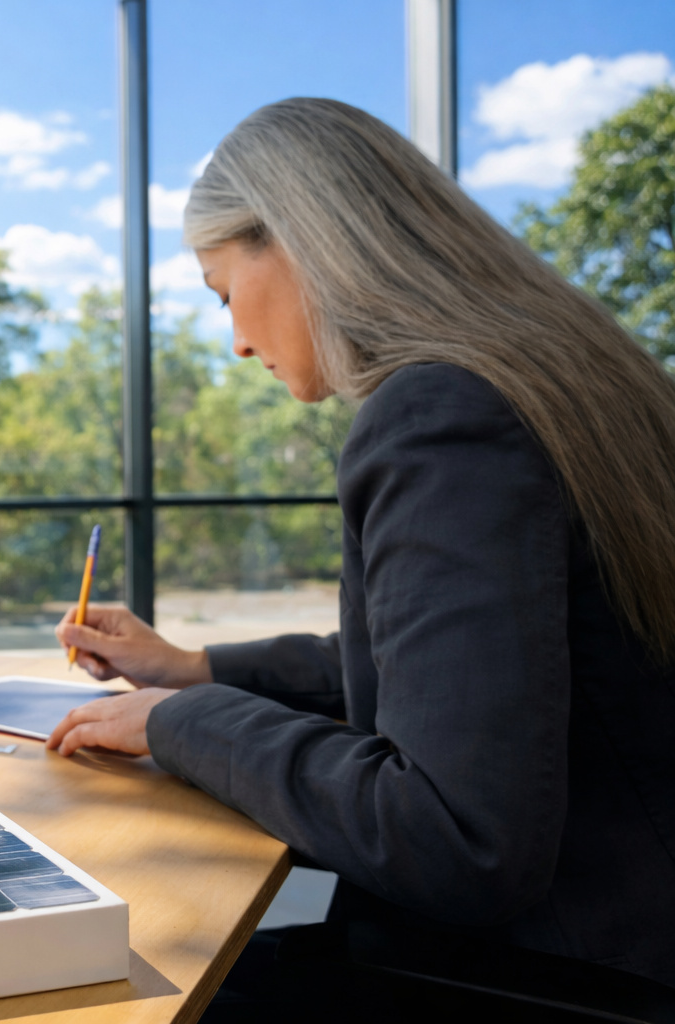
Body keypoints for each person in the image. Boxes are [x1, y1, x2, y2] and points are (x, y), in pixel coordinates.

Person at [48, 98, 675, 1016]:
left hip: (564, 975)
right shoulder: (567, 379)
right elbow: (471, 677)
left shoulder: (440, 416)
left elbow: (457, 840)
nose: (237, 342)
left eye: (225, 294)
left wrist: (184, 724)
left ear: (301, 240)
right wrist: (190, 670)